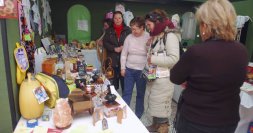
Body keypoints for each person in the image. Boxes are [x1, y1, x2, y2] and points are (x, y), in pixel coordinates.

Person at [170, 0, 249, 133]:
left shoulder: (196, 52)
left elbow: (175, 77)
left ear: (206, 26)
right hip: (228, 121)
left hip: (196, 121)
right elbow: (238, 80)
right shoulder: (242, 50)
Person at [142, 9, 180, 133]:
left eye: (149, 25)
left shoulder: (170, 36)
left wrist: (152, 58)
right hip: (154, 80)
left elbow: (174, 59)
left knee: (161, 112)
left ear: (157, 22)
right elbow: (152, 53)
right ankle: (155, 127)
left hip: (164, 83)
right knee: (154, 108)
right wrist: (147, 46)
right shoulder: (156, 36)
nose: (148, 28)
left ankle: (162, 129)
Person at [120, 17, 150, 118]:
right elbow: (124, 54)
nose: (133, 31)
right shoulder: (129, 37)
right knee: (127, 93)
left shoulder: (148, 37)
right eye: (132, 29)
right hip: (129, 69)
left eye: (135, 29)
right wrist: (122, 68)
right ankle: (124, 114)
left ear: (142, 27)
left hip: (142, 71)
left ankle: (138, 115)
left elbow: (150, 55)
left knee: (140, 94)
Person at [103, 11, 131, 91]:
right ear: (113, 20)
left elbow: (132, 43)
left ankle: (124, 101)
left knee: (125, 85)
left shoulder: (128, 30)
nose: (117, 20)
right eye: (115, 18)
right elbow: (105, 43)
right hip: (112, 61)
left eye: (119, 18)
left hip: (125, 62)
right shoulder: (109, 30)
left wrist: (124, 47)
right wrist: (114, 48)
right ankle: (113, 100)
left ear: (122, 19)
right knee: (112, 85)